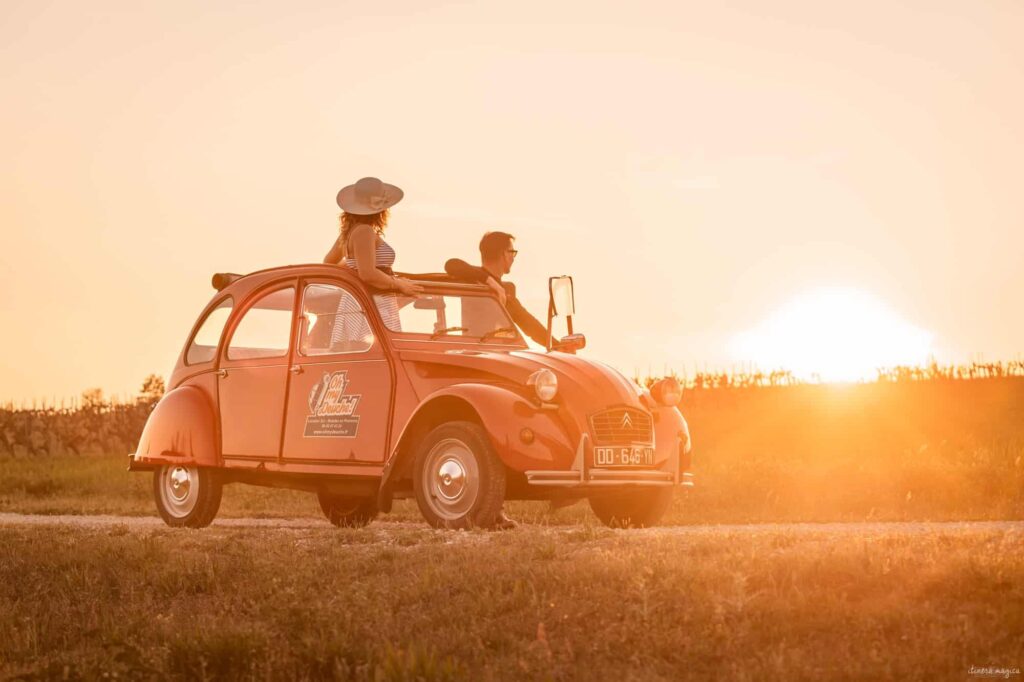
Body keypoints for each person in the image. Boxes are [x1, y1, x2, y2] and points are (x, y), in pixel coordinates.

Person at [324, 177, 422, 346]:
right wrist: (398, 284)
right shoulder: (364, 231)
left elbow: (329, 263)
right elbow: (368, 273)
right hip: (372, 301)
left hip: (366, 300)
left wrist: (353, 265)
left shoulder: (351, 232)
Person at [444, 231, 550, 347]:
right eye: (512, 252)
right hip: (477, 350)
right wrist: (489, 281)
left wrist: (556, 345)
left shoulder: (505, 290)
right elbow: (451, 264)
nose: (513, 258)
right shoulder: (473, 278)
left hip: (494, 350)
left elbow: (528, 323)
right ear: (504, 254)